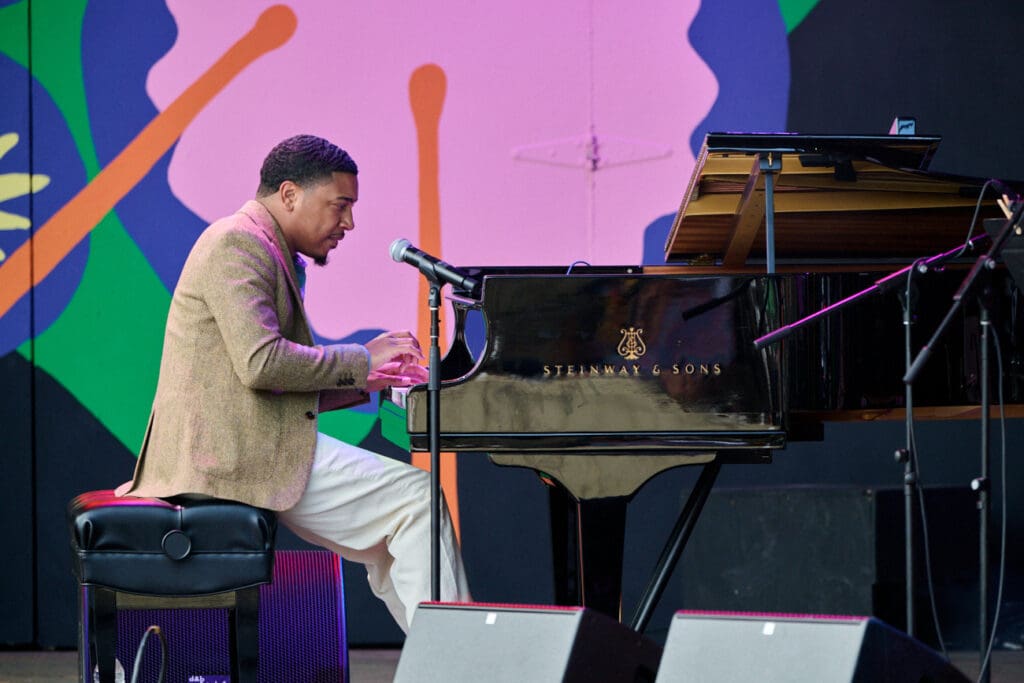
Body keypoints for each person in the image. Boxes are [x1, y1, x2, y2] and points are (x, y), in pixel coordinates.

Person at [116, 134, 470, 632]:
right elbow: (262, 363)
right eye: (340, 205)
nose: (349, 223)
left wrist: (372, 380)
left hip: (248, 443)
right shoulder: (236, 243)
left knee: (388, 540)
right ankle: (459, 660)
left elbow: (273, 383)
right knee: (418, 500)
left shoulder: (263, 247)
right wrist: (362, 358)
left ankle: (437, 658)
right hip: (228, 455)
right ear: (289, 194)